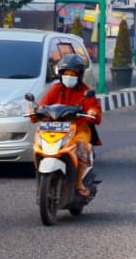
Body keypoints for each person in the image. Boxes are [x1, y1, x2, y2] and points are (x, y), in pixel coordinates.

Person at [37, 51, 102, 195]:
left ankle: (79, 183)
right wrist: (37, 110)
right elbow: (43, 105)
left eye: (73, 74)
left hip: (78, 128)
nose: (69, 77)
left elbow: (94, 109)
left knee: (82, 149)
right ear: (60, 74)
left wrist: (92, 112)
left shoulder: (85, 91)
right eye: (66, 73)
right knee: (39, 146)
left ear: (79, 75)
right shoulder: (55, 89)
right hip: (55, 127)